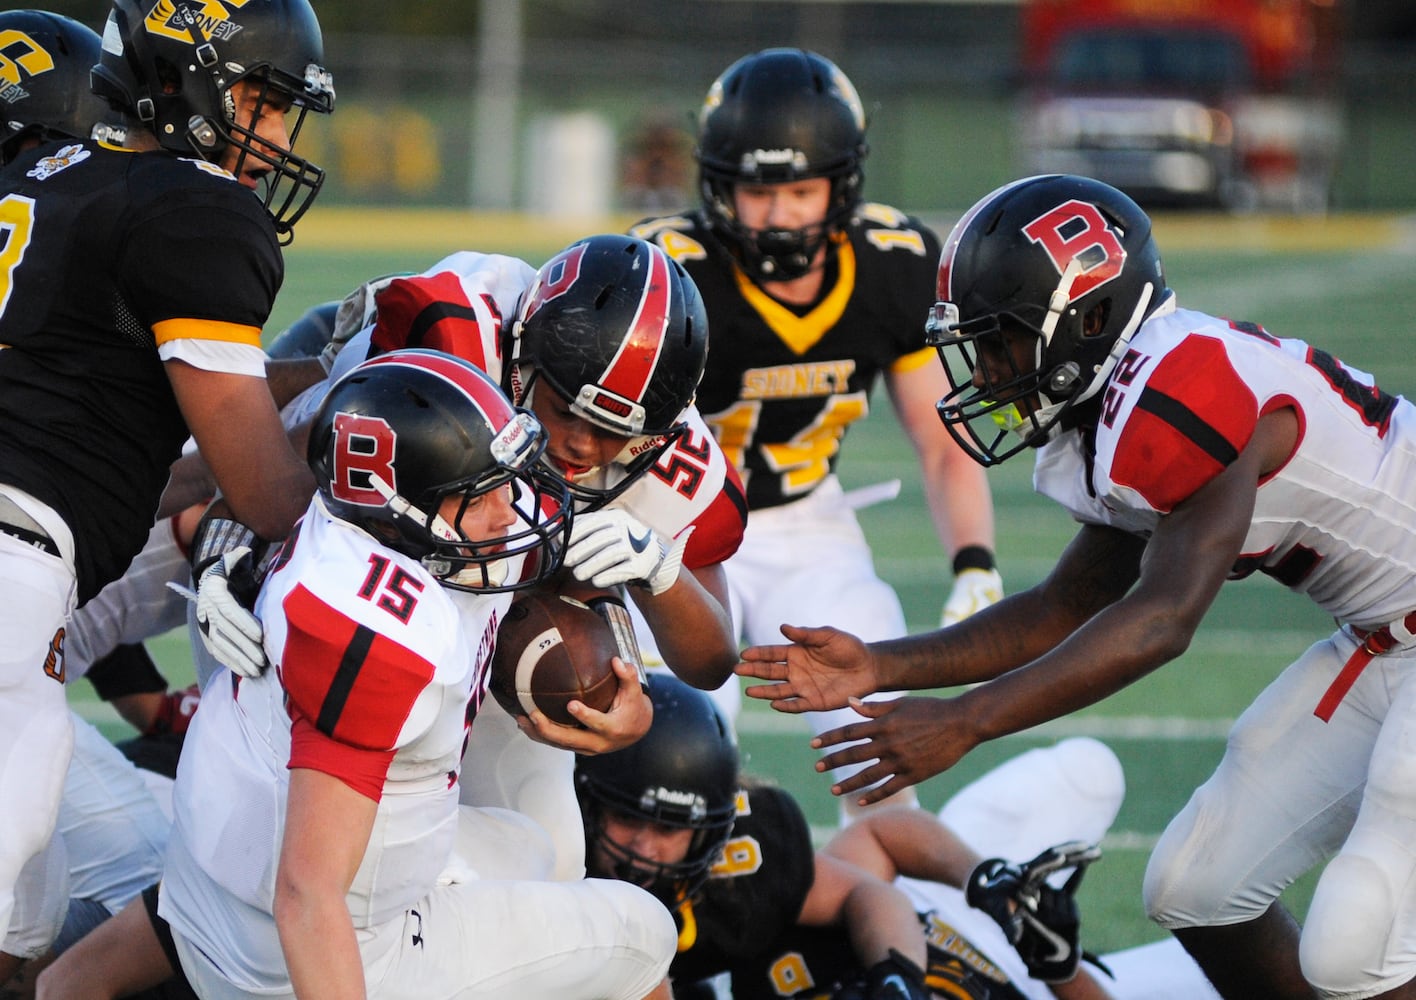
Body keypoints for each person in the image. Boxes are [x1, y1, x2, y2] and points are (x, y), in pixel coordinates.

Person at [737, 173, 1416, 999]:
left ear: (1090, 320)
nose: (984, 370)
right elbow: (1066, 605)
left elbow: (1162, 621)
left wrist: (968, 721)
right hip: (1382, 635)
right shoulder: (1116, 399)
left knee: (1355, 938)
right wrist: (879, 666)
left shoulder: (1180, 389)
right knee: (1196, 888)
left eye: (1002, 340)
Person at [40, 350, 676, 1000]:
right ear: (404, 509)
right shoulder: (375, 633)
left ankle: (67, 980)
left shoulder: (327, 516)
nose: (508, 511)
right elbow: (308, 894)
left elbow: (227, 516)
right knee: (643, 933)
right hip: (299, 952)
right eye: (480, 493)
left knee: (531, 848)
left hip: (206, 883)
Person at [200, 235, 748, 879]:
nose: (580, 442)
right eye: (565, 406)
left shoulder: (678, 462)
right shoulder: (459, 336)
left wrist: (660, 572)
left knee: (554, 865)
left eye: (614, 432)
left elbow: (712, 659)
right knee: (261, 844)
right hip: (346, 570)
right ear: (522, 360)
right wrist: (220, 558)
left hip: (488, 614)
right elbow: (285, 463)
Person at [0, 0, 333, 978]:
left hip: (23, 550)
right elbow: (267, 494)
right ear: (187, 79)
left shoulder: (41, 169)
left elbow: (97, 455)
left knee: (27, 929)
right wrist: (371, 465)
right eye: (262, 102)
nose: (273, 138)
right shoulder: (189, 207)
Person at [627, 48, 1001, 819]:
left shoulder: (891, 265)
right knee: (663, 753)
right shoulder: (670, 265)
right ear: (717, 185)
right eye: (756, 191)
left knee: (880, 741)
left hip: (809, 525)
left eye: (800, 189)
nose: (777, 213)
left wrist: (975, 562)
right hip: (673, 530)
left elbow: (939, 442)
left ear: (843, 183)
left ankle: (896, 921)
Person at [577, 673, 1219, 1000]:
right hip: (995, 949)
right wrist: (1055, 963)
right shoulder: (757, 898)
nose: (644, 848)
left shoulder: (750, 899)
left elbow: (873, 852)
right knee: (1090, 772)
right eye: (631, 820)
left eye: (664, 828)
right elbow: (876, 851)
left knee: (1087, 771)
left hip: (945, 923)